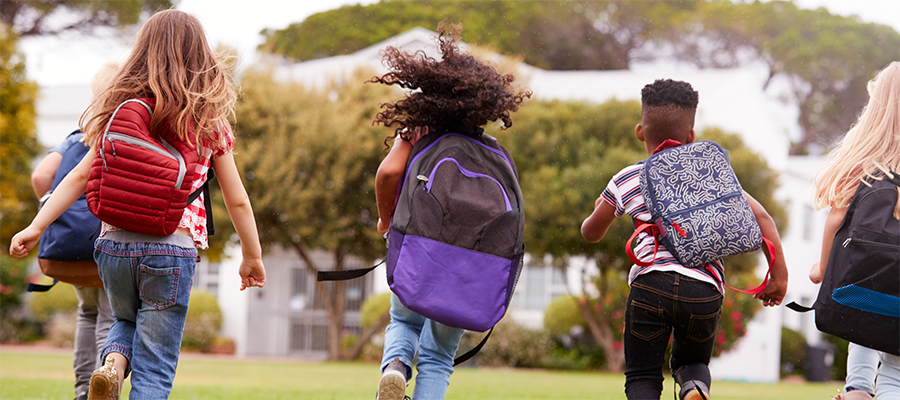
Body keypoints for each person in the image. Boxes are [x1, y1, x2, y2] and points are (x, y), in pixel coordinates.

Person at [9, 9, 266, 400]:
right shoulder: (207, 119)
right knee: (157, 366)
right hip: (171, 248)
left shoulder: (119, 110)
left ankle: (112, 366)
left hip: (112, 245)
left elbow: (78, 177)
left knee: (125, 319)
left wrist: (36, 226)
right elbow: (237, 200)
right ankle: (121, 373)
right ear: (201, 59)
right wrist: (252, 255)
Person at [580, 79, 788, 400]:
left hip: (650, 285)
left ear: (639, 132)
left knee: (643, 374)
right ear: (691, 136)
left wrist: (602, 206)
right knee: (692, 362)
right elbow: (762, 219)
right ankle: (693, 387)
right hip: (703, 288)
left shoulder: (627, 178)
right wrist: (778, 276)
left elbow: (590, 232)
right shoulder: (710, 177)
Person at [370, 23, 531, 400]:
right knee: (439, 355)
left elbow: (389, 172)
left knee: (403, 320)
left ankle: (395, 366)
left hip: (420, 251)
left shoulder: (419, 132)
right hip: (468, 268)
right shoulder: (492, 151)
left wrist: (385, 219)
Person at [808, 61, 900, 400]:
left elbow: (835, 219)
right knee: (895, 373)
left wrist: (821, 267)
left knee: (866, 305)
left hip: (869, 288)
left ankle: (858, 388)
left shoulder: (865, 163)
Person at [29, 63, 120, 400]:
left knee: (87, 313)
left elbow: (41, 177)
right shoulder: (121, 133)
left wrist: (55, 210)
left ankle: (83, 390)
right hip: (105, 241)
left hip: (70, 245)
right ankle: (105, 390)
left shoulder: (76, 135)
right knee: (111, 319)